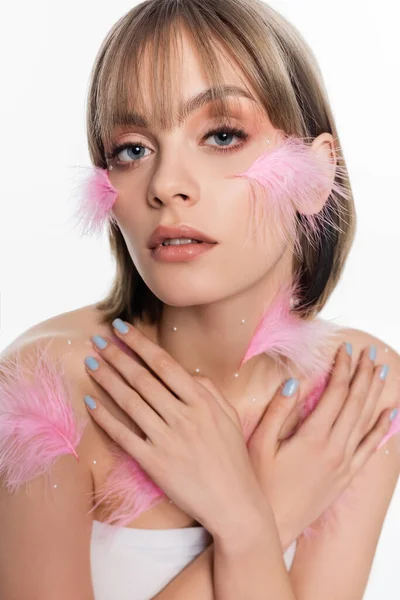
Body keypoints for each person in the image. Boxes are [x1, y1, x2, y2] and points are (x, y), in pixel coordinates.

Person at [0, 1, 399, 598]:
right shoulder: (49, 390)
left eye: (221, 135)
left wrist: (242, 519)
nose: (165, 186)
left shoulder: (356, 392)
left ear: (316, 177)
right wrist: (258, 518)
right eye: (132, 149)